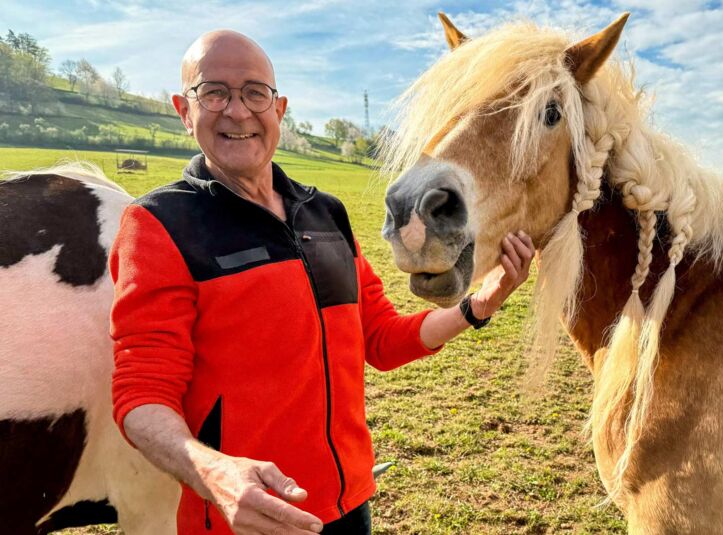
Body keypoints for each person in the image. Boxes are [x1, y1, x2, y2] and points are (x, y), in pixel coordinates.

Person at [110, 30, 535, 535]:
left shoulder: (326, 213)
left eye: (254, 93)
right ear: (185, 110)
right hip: (246, 518)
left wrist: (478, 306)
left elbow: (381, 338)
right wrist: (213, 473)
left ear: (279, 109)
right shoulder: (159, 225)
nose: (238, 111)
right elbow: (142, 395)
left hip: (350, 502)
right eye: (214, 93)